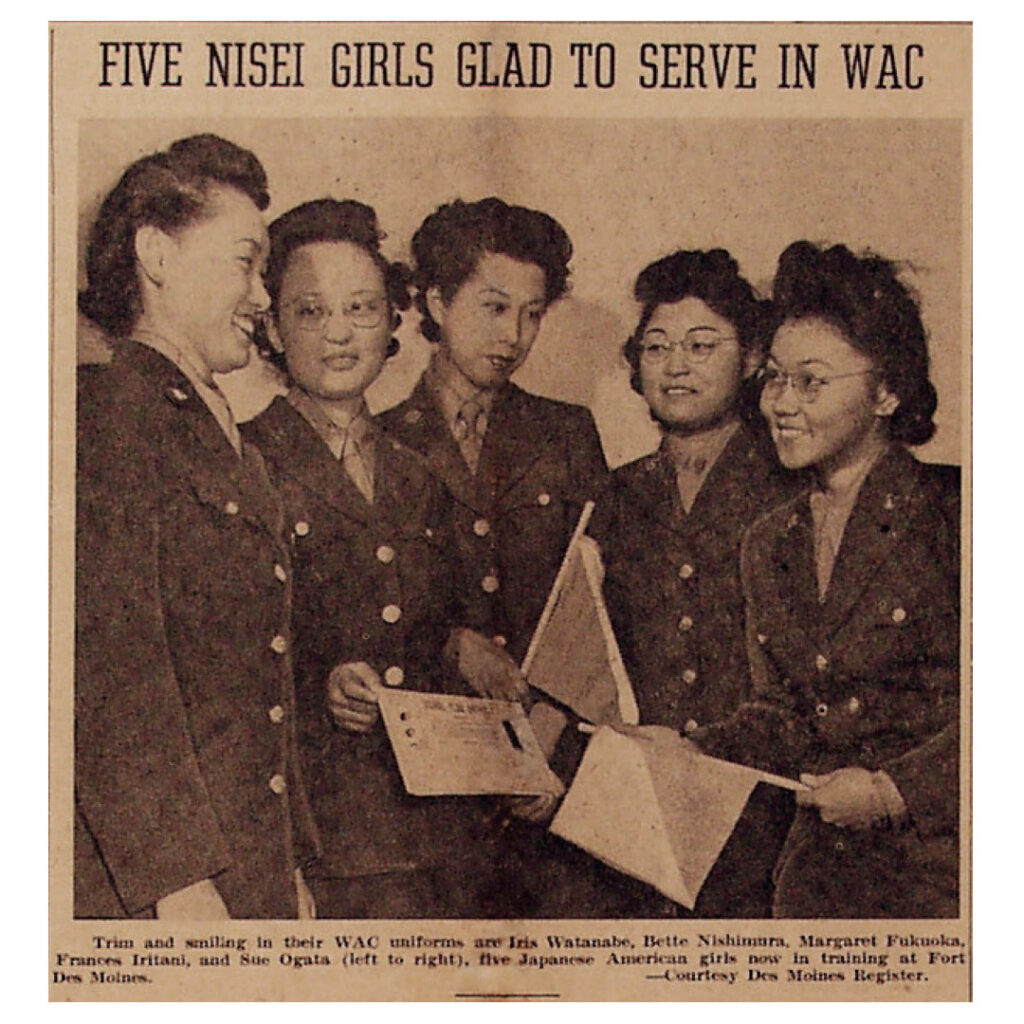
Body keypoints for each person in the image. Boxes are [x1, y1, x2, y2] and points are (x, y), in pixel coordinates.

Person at [243, 199, 528, 918]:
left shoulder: (415, 469)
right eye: (311, 311)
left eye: (363, 308)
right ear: (272, 327)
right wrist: (320, 682)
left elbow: (426, 621)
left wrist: (460, 646)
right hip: (320, 834)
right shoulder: (246, 459)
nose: (339, 333)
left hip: (442, 830)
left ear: (393, 321)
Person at [75, 134, 319, 919]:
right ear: (157, 254)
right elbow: (110, 672)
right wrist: (175, 881)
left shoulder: (219, 431)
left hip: (246, 868)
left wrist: (287, 867)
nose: (261, 297)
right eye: (244, 262)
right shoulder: (107, 412)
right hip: (168, 888)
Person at [696, 240, 960, 918]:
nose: (780, 404)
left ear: (887, 392)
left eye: (810, 382)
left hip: (948, 880)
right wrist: (690, 749)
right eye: (773, 379)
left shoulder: (960, 515)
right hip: (816, 886)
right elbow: (783, 715)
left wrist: (895, 792)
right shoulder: (768, 542)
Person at [379, 197, 610, 916]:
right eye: (493, 307)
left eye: (532, 314)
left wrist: (552, 734)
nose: (513, 335)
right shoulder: (379, 441)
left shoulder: (568, 433)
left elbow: (601, 610)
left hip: (553, 788)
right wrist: (451, 643)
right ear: (436, 302)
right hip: (425, 801)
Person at [590, 249, 803, 917]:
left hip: (764, 811)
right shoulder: (616, 494)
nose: (676, 365)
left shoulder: (792, 485)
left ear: (751, 359)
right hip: (640, 812)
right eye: (657, 347)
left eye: (701, 345)